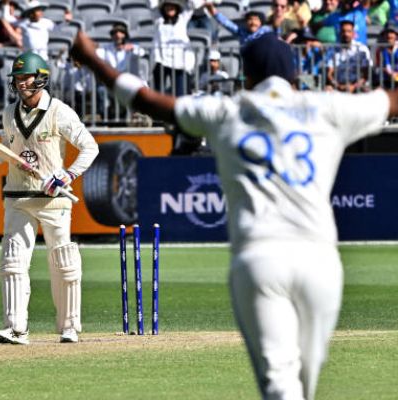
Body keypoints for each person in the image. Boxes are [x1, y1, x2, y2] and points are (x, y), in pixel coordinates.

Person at [70, 30, 398, 400]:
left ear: (249, 76)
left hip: (259, 258)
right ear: (294, 75)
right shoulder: (328, 107)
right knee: (305, 384)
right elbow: (392, 101)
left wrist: (93, 57)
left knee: (280, 383)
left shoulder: (224, 111)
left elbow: (144, 99)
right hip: (320, 260)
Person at [0, 51, 99, 345]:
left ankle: (69, 327)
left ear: (41, 78)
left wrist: (67, 175)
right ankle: (16, 328)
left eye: (26, 77)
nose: (21, 83)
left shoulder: (60, 112)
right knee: (12, 262)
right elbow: (9, 153)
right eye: (17, 78)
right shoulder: (8, 113)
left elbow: (90, 147)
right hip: (18, 197)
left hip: (54, 199)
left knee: (63, 262)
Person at [95, 23, 146, 118]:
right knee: (101, 90)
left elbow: (141, 52)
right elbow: (97, 54)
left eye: (120, 32)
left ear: (124, 35)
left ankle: (134, 116)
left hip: (128, 83)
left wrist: (132, 48)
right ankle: (103, 116)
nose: (117, 35)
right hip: (112, 82)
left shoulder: (132, 47)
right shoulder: (106, 48)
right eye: (115, 33)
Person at [152, 0, 201, 96]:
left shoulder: (182, 19)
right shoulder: (158, 20)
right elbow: (151, 3)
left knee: (180, 94)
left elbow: (193, 4)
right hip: (161, 61)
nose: (170, 8)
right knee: (158, 95)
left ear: (177, 8)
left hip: (179, 62)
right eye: (167, 6)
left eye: (172, 6)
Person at [325, 19, 372, 92]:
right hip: (338, 85)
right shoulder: (332, 49)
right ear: (340, 33)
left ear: (353, 33)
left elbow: (366, 73)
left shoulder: (362, 48)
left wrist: (354, 86)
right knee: (327, 90)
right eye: (343, 31)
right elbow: (329, 73)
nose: (346, 34)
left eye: (349, 31)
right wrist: (338, 86)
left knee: (366, 90)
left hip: (358, 86)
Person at [205, 4, 272, 45]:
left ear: (261, 22)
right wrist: (215, 13)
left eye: (256, 19)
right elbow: (227, 24)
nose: (253, 22)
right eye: (250, 19)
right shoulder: (241, 32)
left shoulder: (266, 31)